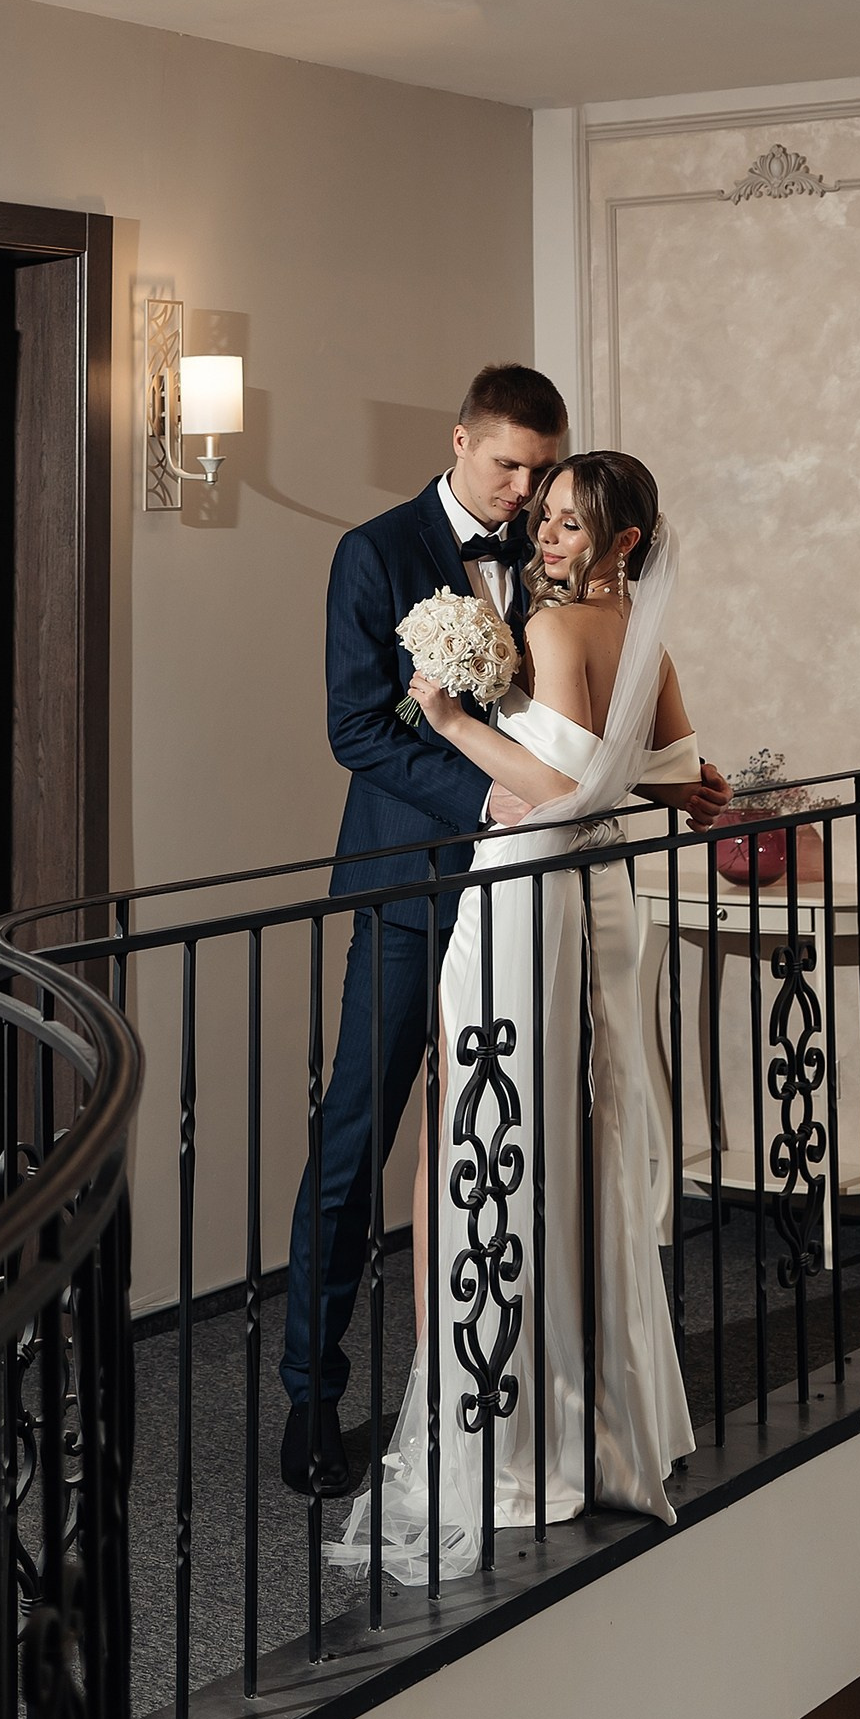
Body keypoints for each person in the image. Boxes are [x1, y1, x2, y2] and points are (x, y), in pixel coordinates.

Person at [330, 451, 728, 1579]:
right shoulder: (642, 638)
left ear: (621, 543)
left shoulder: (553, 629)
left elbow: (560, 791)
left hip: (529, 895)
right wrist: (692, 791)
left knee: (495, 1138)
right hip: (600, 898)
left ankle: (514, 1439)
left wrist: (446, 715)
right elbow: (671, 773)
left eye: (567, 524)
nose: (543, 537)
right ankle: (605, 1417)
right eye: (543, 517)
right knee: (581, 1138)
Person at [280, 363, 568, 1497]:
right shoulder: (374, 551)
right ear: (459, 441)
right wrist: (483, 798)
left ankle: (492, 1376)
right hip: (411, 882)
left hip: (523, 884)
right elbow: (356, 727)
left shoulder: (549, 553)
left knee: (510, 1127)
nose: (524, 493)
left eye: (541, 471)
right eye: (507, 466)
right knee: (358, 1133)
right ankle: (311, 1394)